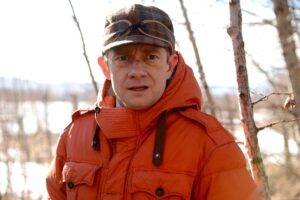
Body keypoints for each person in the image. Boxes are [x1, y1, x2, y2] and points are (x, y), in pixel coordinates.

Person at [46, 4, 261, 200]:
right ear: (105, 67)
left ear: (170, 64)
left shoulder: (210, 146)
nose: (137, 72)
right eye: (123, 58)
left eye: (151, 57)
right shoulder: (75, 135)